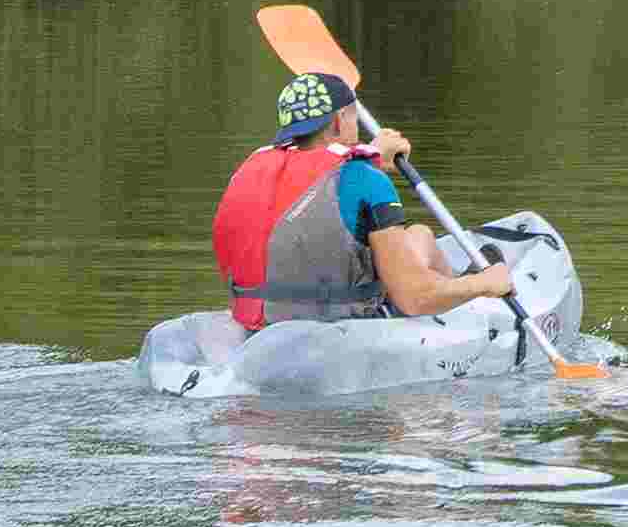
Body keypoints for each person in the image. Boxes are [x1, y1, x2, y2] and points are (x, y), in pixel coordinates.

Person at [214, 62, 511, 330]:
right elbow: (412, 298)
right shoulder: (365, 179)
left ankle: (455, 292)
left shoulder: (250, 171)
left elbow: (318, 181)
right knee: (423, 258)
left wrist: (374, 156)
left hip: (261, 322)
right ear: (340, 120)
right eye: (353, 115)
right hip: (340, 326)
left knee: (419, 235)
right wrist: (483, 283)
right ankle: (465, 306)